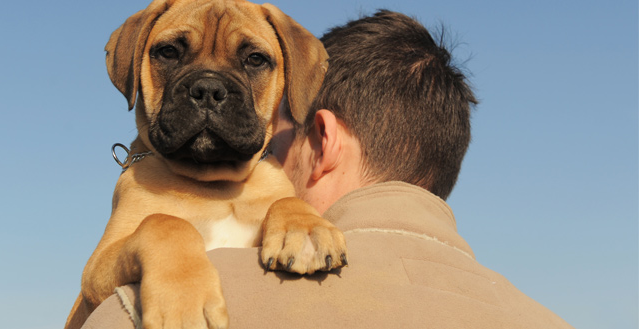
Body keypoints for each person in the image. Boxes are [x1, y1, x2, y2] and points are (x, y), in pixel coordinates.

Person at [81, 10, 574, 328]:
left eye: (252, 60)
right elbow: (96, 277)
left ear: (324, 136)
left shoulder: (273, 190)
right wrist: (162, 239)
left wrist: (292, 212)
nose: (208, 88)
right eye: (170, 53)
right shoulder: (545, 317)